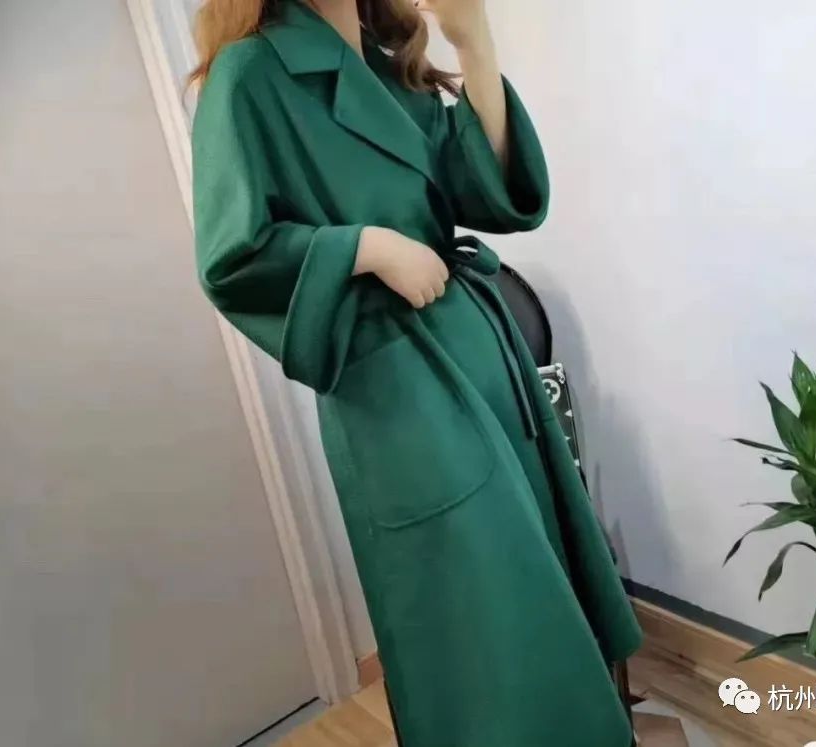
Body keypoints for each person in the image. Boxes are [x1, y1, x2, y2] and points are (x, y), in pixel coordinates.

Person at [189, 1, 641, 744]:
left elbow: (493, 194)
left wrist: (473, 40)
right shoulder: (251, 75)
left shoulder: (387, 61)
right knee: (481, 621)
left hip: (485, 358)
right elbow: (232, 259)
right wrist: (365, 247)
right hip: (398, 397)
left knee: (538, 598)